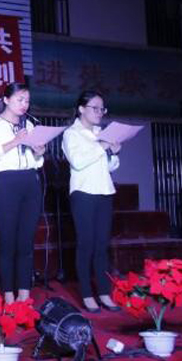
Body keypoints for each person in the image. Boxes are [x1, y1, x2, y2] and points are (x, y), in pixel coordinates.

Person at [0, 82, 45, 303]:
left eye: (27, 100)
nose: (24, 104)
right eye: (19, 99)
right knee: (7, 240)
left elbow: (37, 161)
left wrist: (38, 151)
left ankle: (24, 295)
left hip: (30, 181)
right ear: (6, 100)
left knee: (26, 242)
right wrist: (15, 141)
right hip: (5, 182)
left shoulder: (30, 124)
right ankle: (8, 294)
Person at [62, 90, 122, 312]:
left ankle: (104, 293)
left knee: (102, 245)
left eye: (102, 109)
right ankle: (87, 294)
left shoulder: (101, 133)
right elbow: (78, 161)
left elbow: (111, 167)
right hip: (83, 193)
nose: (99, 112)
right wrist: (102, 146)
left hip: (104, 191)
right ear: (81, 109)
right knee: (86, 243)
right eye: (95, 108)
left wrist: (114, 152)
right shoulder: (71, 134)